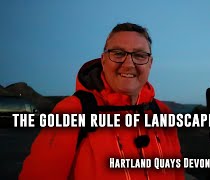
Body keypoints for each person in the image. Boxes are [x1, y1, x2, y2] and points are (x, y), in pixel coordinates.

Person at [19, 23, 185, 180]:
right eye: (118, 53)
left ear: (150, 63)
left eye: (140, 55)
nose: (128, 64)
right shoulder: (73, 111)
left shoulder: (162, 113)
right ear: (104, 59)